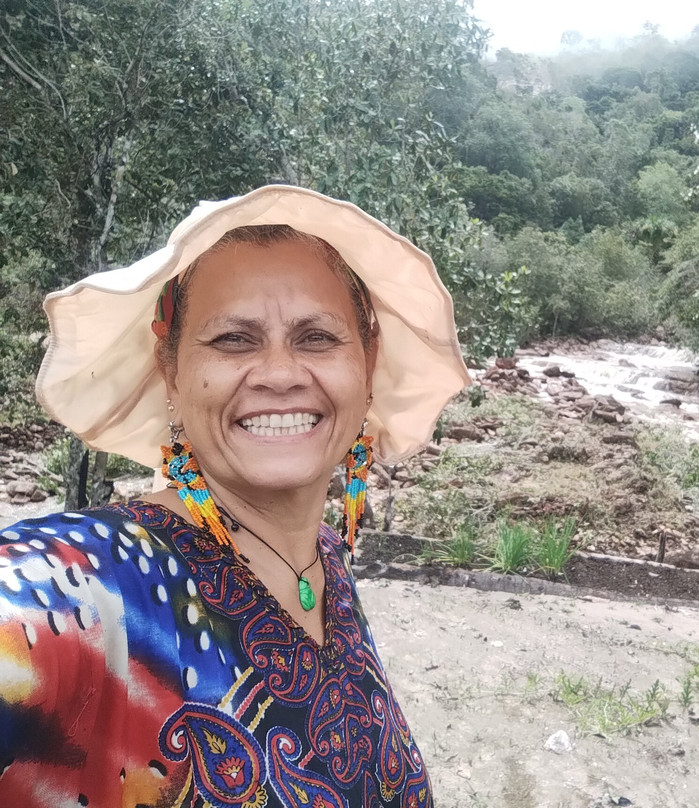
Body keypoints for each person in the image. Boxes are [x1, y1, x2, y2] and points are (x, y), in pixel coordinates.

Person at [0, 185, 471, 807]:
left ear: (367, 362)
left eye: (317, 338)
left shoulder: (325, 560)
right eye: (233, 340)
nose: (280, 373)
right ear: (170, 368)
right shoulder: (87, 584)